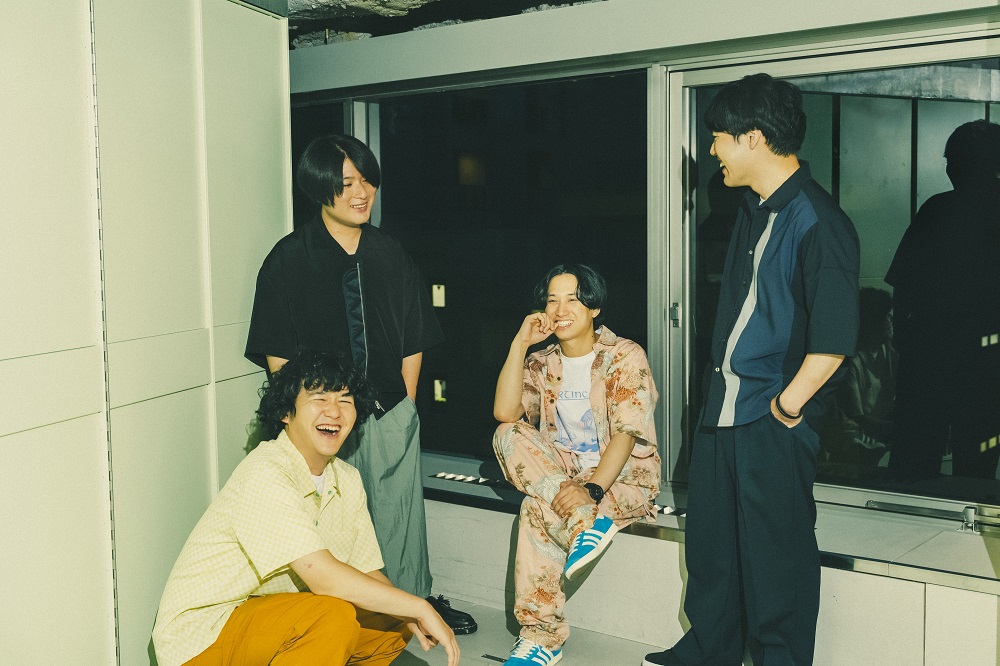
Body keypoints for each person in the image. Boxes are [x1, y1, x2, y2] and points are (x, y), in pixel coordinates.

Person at [644, 74, 860, 666]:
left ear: (754, 138)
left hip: (770, 415)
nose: (711, 149)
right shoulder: (752, 209)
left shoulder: (819, 222)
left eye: (718, 137)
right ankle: (709, 650)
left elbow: (834, 341)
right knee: (714, 547)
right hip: (724, 407)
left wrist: (788, 406)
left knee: (776, 557)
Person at [245, 134, 476, 634]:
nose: (362, 192)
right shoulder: (287, 259)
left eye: (367, 180)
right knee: (329, 521)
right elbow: (276, 352)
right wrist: (301, 417)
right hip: (320, 417)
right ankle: (342, 623)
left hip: (388, 409)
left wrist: (405, 403)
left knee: (399, 519)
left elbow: (414, 335)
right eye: (347, 182)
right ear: (319, 187)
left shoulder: (391, 253)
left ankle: (411, 611)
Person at [152, 351, 460, 666]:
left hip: (265, 617)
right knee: (333, 616)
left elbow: (367, 570)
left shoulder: (347, 478)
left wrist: (408, 611)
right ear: (286, 412)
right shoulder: (266, 470)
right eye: (319, 398)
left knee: (392, 620)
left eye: (345, 400)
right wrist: (421, 607)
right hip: (202, 635)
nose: (334, 411)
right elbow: (323, 578)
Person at [493, 264, 660, 666]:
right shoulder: (542, 361)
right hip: (565, 481)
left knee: (534, 508)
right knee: (506, 434)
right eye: (552, 300)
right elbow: (505, 412)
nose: (560, 309)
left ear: (594, 308)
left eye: (572, 299)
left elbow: (626, 434)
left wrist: (592, 491)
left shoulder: (624, 355)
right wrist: (519, 343)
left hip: (620, 480)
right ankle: (586, 524)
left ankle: (542, 639)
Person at [887, 119, 1000, 482]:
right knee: (976, 469)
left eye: (954, 160)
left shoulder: (937, 211)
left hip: (929, 359)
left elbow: (902, 286)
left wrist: (906, 338)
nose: (949, 168)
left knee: (913, 465)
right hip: (986, 366)